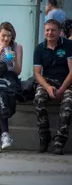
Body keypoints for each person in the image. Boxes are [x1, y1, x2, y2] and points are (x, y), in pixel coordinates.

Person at [33, 19, 72, 155]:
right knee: (38, 99)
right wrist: (48, 87)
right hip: (48, 81)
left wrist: (61, 90)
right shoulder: (39, 48)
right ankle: (44, 136)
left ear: (59, 31)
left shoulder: (68, 45)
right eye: (47, 30)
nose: (50, 33)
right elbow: (37, 73)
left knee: (68, 103)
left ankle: (59, 141)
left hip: (67, 82)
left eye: (53, 30)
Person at [0, 22, 23, 152]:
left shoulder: (17, 47)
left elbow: (18, 71)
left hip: (10, 78)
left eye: (9, 36)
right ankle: (5, 135)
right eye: (3, 36)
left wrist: (13, 60)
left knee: (0, 100)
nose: (6, 39)